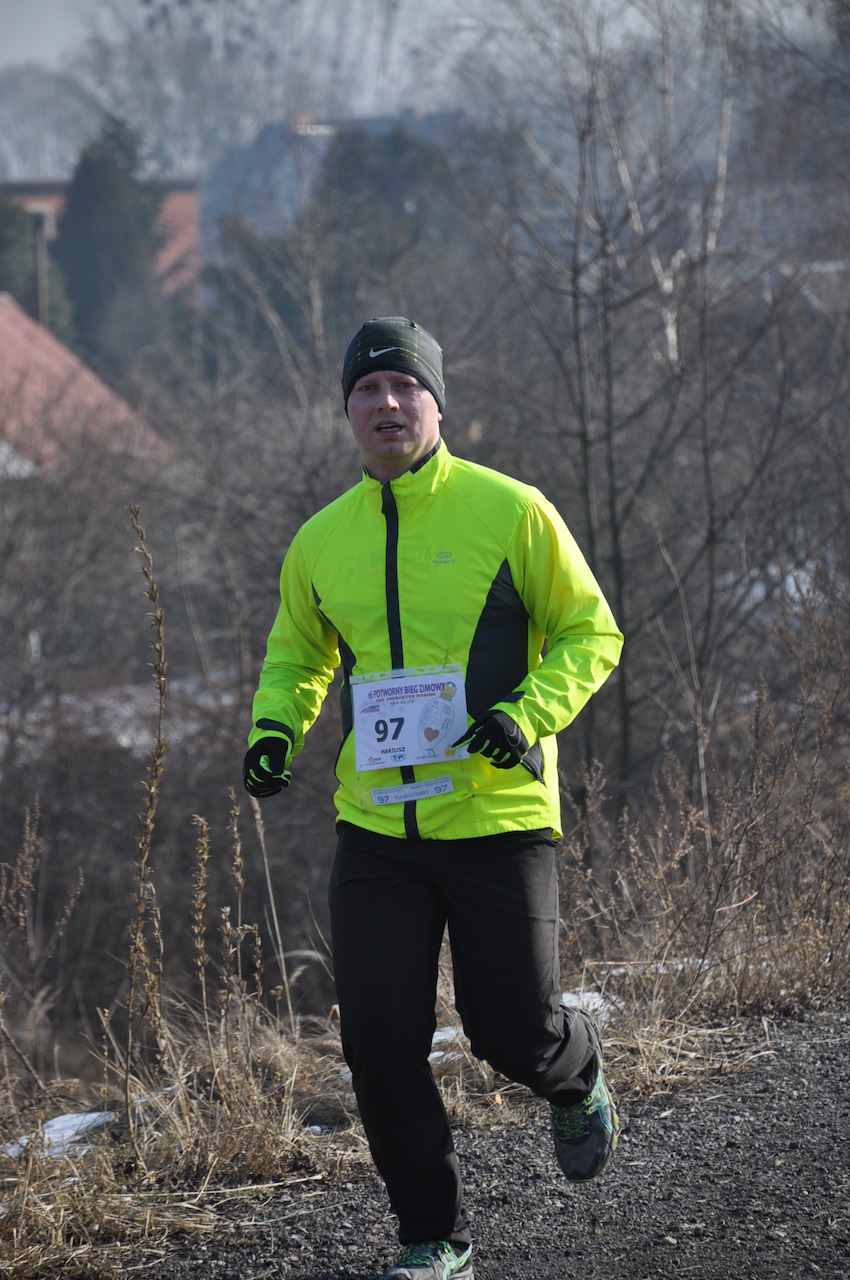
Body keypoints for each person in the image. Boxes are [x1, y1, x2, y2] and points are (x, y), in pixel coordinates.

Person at [243, 317, 624, 1280]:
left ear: (437, 404)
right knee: (378, 1043)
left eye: (404, 386)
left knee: (509, 1030)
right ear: (346, 411)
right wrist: (274, 730)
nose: (386, 404)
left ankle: (575, 1070)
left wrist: (525, 715)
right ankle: (433, 1236)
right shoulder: (320, 541)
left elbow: (592, 633)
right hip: (377, 830)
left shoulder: (511, 510)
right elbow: (297, 658)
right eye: (366, 390)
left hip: (498, 818)